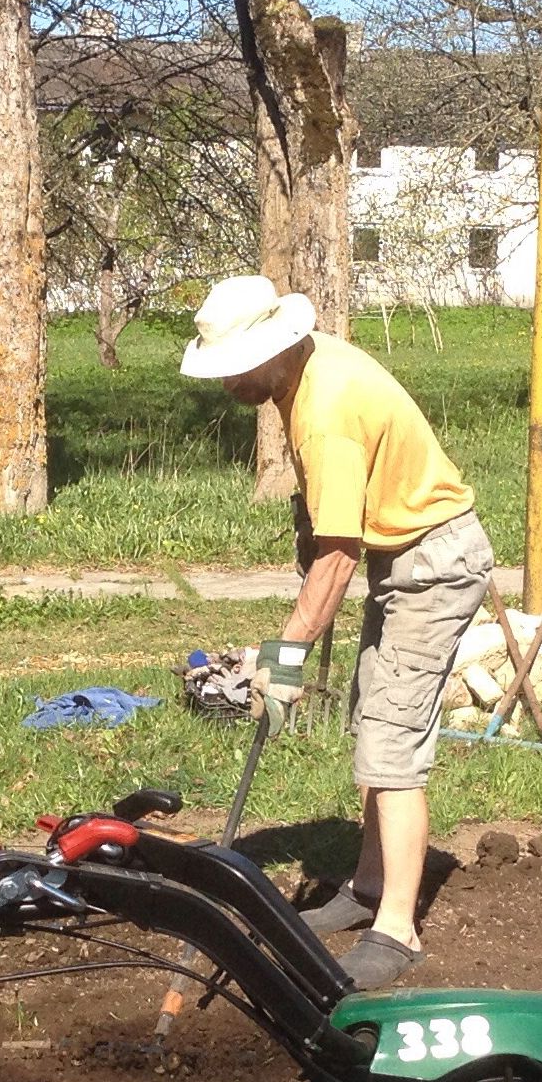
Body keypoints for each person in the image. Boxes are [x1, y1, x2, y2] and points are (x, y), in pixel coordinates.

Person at [181, 275, 493, 989]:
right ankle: (369, 886)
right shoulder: (310, 368)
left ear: (274, 348)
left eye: (234, 367)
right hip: (403, 555)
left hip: (432, 566)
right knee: (371, 723)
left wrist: (284, 656)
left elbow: (337, 555)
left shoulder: (323, 407)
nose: (226, 382)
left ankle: (397, 929)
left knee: (391, 740)